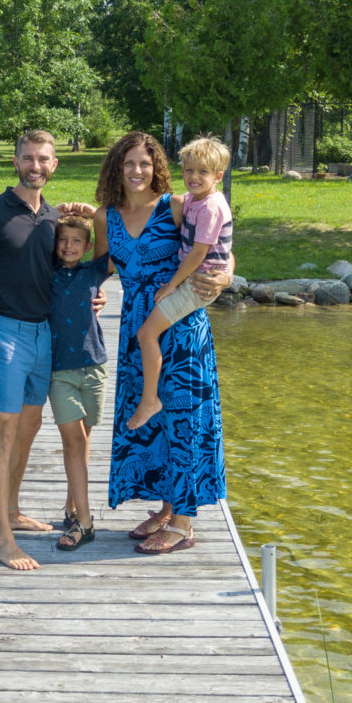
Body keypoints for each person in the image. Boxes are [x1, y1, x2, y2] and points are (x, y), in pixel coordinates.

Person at [0, 130, 105, 571]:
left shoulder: (54, 219)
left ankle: (14, 509)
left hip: (44, 337)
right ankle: (2, 539)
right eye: (27, 158)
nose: (35, 165)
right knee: (3, 432)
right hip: (3, 335)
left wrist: (92, 297)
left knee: (29, 426)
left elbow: (70, 270)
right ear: (16, 161)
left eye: (43, 159)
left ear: (54, 164)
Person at [92, 131, 232, 554]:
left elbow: (216, 245)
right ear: (117, 167)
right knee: (152, 422)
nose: (137, 171)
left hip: (181, 323)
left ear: (157, 169)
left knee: (185, 418)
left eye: (145, 164)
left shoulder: (175, 207)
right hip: (138, 327)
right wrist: (88, 293)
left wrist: (226, 276)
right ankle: (168, 507)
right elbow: (100, 266)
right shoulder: (105, 217)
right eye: (129, 163)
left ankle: (184, 522)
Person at [128, 136, 233, 430]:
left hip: (198, 284)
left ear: (218, 176)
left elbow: (199, 252)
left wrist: (172, 285)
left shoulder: (211, 207)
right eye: (189, 171)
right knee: (151, 334)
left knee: (147, 334)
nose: (194, 177)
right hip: (195, 278)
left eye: (203, 172)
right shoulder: (193, 201)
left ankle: (150, 400)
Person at [48, 215, 113, 551]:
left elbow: (110, 240)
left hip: (94, 367)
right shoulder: (46, 273)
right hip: (60, 372)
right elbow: (39, 234)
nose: (69, 246)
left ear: (86, 247)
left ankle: (72, 505)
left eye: (77, 241)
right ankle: (85, 524)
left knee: (85, 438)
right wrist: (57, 211)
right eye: (63, 240)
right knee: (73, 441)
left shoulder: (94, 272)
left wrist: (92, 211)